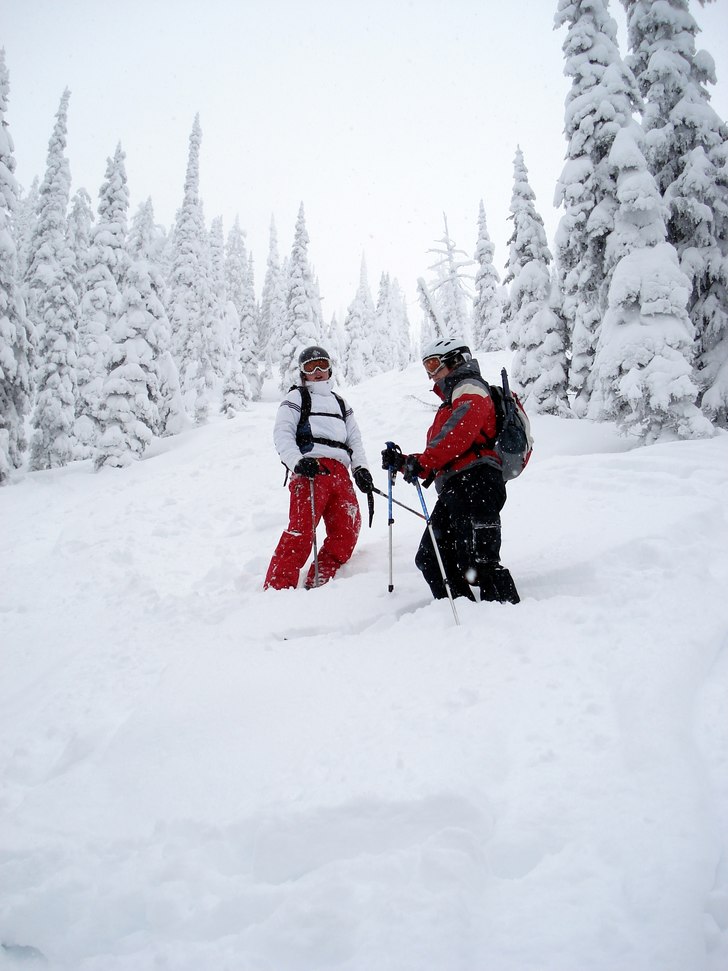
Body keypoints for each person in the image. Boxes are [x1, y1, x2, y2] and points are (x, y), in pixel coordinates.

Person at [381, 337, 520, 604]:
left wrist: (421, 462)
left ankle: (507, 623)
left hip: (477, 481)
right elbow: (446, 452)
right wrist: (405, 462)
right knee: (431, 559)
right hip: (458, 485)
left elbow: (460, 435)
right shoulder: (453, 400)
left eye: (434, 364)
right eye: (426, 367)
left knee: (479, 562)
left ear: (455, 360)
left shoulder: (470, 387)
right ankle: (463, 621)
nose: (431, 374)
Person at [264, 345, 373, 590]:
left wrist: (361, 469)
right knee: (302, 530)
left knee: (348, 526)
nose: (318, 372)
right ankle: (278, 587)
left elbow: (354, 439)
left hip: (340, 472)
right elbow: (282, 434)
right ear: (302, 372)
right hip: (310, 471)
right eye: (311, 367)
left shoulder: (341, 403)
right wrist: (297, 461)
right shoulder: (296, 398)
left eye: (323, 365)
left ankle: (321, 576)